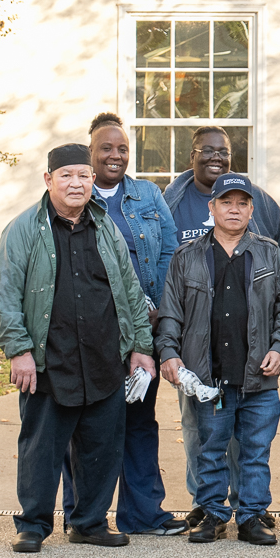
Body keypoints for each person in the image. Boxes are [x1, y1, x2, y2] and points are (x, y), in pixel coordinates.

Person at [0, 143, 156, 553]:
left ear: (92, 180)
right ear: (49, 180)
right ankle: (32, 525)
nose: (76, 183)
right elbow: (4, 294)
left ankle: (89, 522)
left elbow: (130, 290)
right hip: (49, 359)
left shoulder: (105, 228)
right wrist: (19, 350)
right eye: (66, 176)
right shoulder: (24, 228)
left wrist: (140, 346)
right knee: (40, 448)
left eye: (83, 175)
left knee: (102, 447)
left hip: (104, 357)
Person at [59, 113, 185, 536]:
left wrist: (161, 310)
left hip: (140, 330)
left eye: (122, 148)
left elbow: (169, 254)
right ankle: (81, 515)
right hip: (88, 330)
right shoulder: (75, 195)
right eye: (106, 148)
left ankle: (144, 515)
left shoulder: (148, 195)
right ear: (90, 154)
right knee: (82, 423)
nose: (115, 155)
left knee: (138, 419)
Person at [162, 126, 280, 530]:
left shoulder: (269, 254)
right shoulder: (188, 258)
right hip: (208, 376)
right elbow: (171, 312)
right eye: (226, 202)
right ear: (213, 209)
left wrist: (279, 346)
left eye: (242, 203)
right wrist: (169, 352)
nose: (234, 209)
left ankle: (252, 515)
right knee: (210, 449)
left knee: (255, 450)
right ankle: (214, 515)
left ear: (252, 210)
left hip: (258, 375)